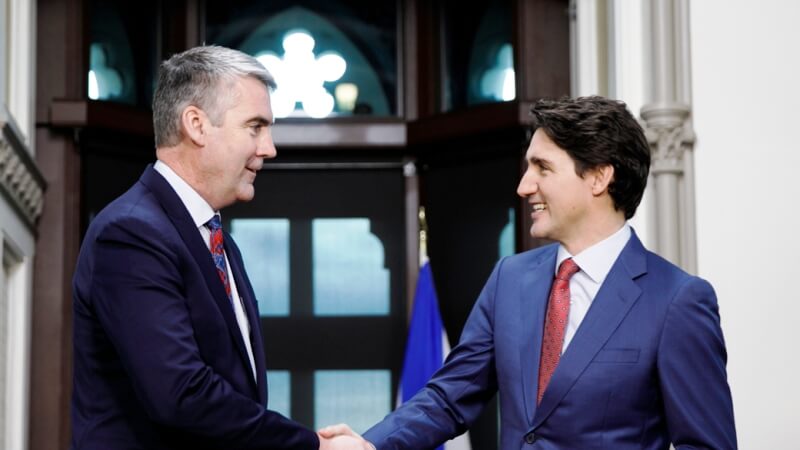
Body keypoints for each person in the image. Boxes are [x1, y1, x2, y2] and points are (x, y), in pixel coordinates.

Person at [321, 96, 737, 449]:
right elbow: (449, 397)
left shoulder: (678, 301)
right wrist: (371, 444)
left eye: (543, 168)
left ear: (598, 177)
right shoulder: (510, 278)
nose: (523, 186)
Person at [71, 45, 369, 450]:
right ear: (196, 124)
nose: (269, 148)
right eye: (255, 127)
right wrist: (312, 446)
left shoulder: (215, 239)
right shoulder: (131, 233)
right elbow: (181, 393)